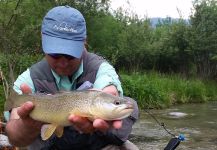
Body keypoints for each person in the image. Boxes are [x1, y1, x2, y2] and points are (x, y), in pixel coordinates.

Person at [5, 5, 139, 150]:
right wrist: (27, 125)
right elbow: (14, 137)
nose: (62, 63)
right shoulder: (28, 79)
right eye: (55, 54)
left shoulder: (101, 68)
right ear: (43, 41)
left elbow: (107, 87)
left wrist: (110, 95)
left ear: (84, 42)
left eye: (70, 55)